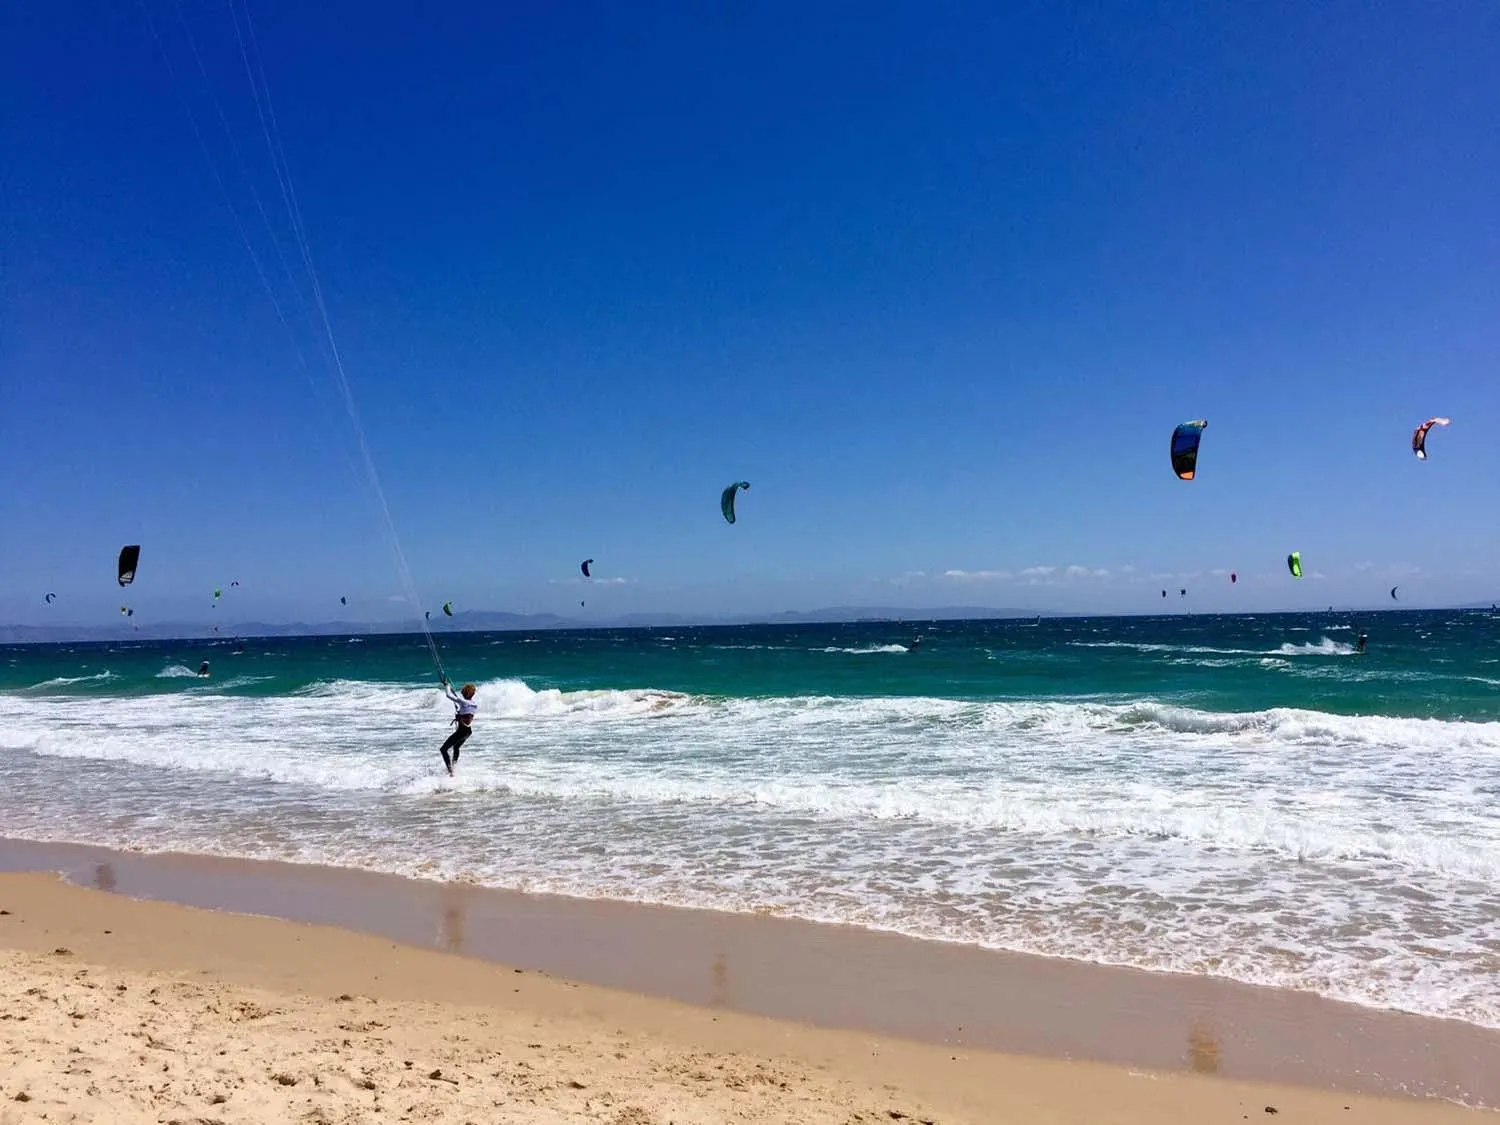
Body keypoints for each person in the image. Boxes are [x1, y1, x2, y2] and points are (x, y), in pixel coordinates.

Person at [438, 676, 478, 776]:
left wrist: (447, 686)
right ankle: (454, 767)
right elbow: (464, 707)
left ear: (465, 693)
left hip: (461, 732)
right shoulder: (474, 704)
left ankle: (450, 771)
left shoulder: (463, 702)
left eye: (463, 691)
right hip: (468, 732)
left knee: (443, 750)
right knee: (456, 747)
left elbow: (448, 695)